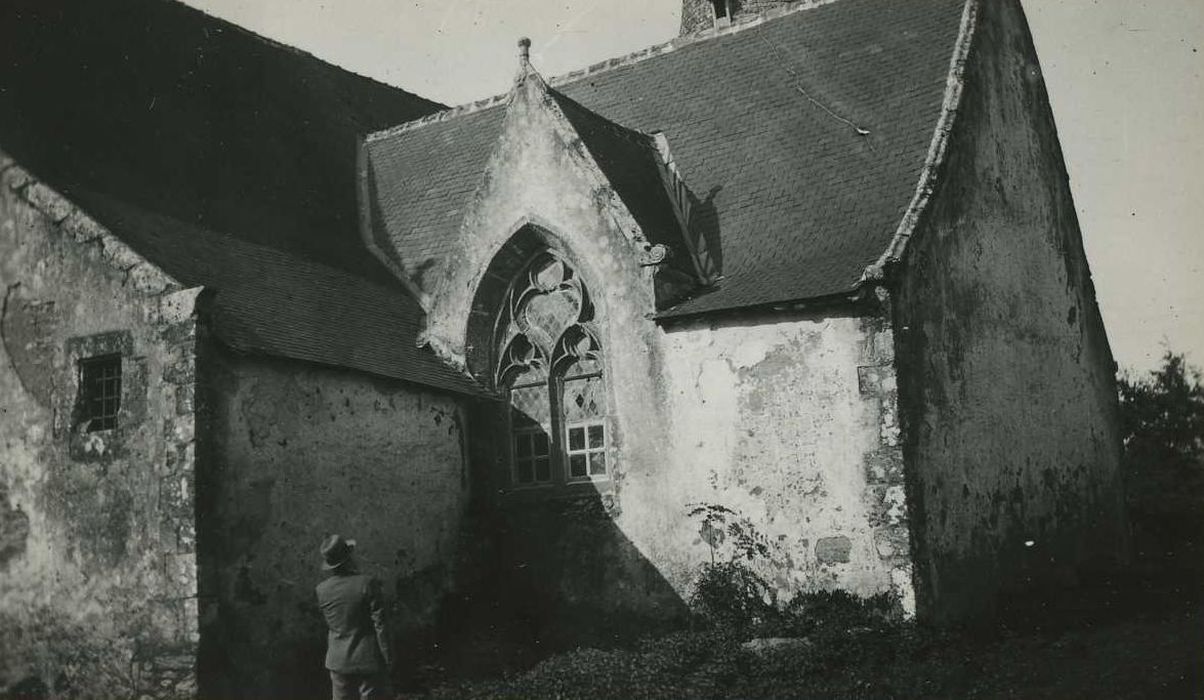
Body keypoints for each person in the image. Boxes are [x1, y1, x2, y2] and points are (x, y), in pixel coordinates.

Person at [315, 534, 393, 700]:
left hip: (337, 661)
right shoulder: (367, 583)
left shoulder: (321, 590)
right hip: (367, 660)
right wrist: (388, 657)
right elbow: (381, 625)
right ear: (349, 558)